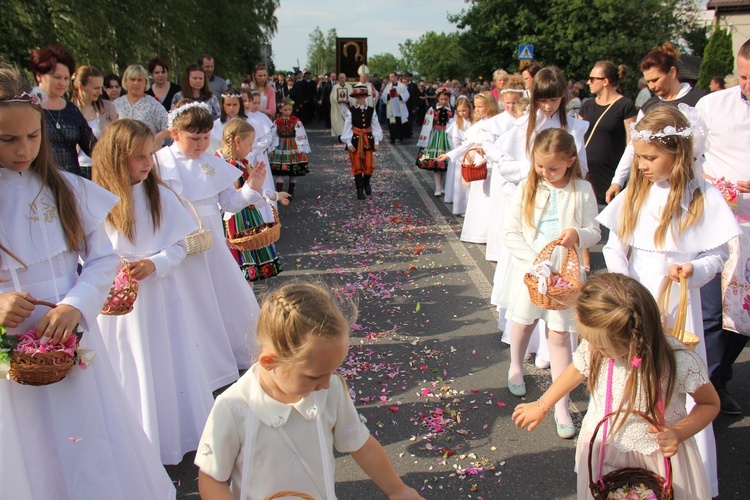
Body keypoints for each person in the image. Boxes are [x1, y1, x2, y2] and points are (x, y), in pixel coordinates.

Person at [0, 66, 176, 499]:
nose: (24, 150)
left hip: (70, 331)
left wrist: (76, 303)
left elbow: (100, 259)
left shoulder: (66, 189)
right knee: (24, 442)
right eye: (8, 140)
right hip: (9, 339)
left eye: (32, 137)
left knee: (87, 431)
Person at [596, 105, 741, 497]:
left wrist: (696, 271)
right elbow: (615, 246)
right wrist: (626, 292)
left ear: (677, 154)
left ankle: (688, 473)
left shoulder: (700, 195)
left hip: (680, 305)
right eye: (639, 156)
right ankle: (630, 466)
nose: (641, 164)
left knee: (677, 380)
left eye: (649, 157)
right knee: (634, 379)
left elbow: (718, 253)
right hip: (634, 300)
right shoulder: (636, 193)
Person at [195, 283, 423, 500]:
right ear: (270, 363)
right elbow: (211, 477)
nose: (326, 383)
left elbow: (361, 444)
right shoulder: (234, 406)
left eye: (332, 371)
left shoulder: (330, 390)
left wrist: (398, 490)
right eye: (314, 376)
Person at [512, 273, 719, 499]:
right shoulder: (597, 347)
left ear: (632, 338)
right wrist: (543, 405)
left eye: (601, 346)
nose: (592, 349)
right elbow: (576, 370)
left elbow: (709, 403)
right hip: (604, 449)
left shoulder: (678, 362)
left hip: (658, 457)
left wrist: (679, 433)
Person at [92, 119, 214, 465]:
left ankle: (172, 436)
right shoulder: (98, 200)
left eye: (150, 154)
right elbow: (89, 254)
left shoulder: (159, 195)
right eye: (138, 156)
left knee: (163, 362)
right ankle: (135, 439)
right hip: (118, 304)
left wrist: (155, 263)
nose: (148, 163)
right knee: (127, 364)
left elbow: (179, 246)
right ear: (115, 159)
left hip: (160, 297)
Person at [499, 128, 600, 439]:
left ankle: (560, 404)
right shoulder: (528, 187)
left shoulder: (582, 190)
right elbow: (511, 231)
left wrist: (578, 235)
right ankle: (516, 365)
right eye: (540, 166)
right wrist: (534, 263)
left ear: (570, 161)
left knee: (559, 335)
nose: (545, 173)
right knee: (524, 321)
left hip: (565, 273)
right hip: (531, 267)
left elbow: (594, 230)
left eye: (553, 168)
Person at [156, 100, 266, 383]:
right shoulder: (160, 163)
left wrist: (251, 187)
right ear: (175, 133)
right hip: (179, 244)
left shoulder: (212, 164)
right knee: (192, 304)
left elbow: (228, 203)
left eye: (206, 137)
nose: (201, 144)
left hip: (213, 244)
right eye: (194, 138)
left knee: (226, 296)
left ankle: (236, 352)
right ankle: (198, 363)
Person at [694, 39, 750, 417]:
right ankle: (708, 391)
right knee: (712, 312)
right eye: (744, 76)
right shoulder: (713, 104)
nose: (747, 85)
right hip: (717, 221)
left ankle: (722, 374)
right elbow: (690, 156)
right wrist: (717, 180)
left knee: (744, 316)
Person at [606, 42, 707, 203]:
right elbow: (634, 145)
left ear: (672, 72)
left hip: (692, 181)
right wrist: (618, 179)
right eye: (648, 82)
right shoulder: (649, 107)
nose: (651, 86)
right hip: (656, 186)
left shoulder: (700, 100)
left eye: (655, 79)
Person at [217, 119, 289, 281]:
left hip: (247, 218)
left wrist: (275, 195)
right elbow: (226, 201)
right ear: (237, 141)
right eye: (250, 144)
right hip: (233, 222)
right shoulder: (221, 164)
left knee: (250, 268)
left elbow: (257, 188)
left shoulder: (242, 164)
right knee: (235, 267)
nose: (251, 148)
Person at [30, 44, 96, 178]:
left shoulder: (71, 109)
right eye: (57, 77)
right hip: (38, 181)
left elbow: (93, 147)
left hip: (72, 183)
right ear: (39, 76)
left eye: (66, 78)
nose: (63, 83)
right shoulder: (29, 107)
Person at [578, 61, 637, 204]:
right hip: (586, 172)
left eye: (592, 79)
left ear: (605, 81)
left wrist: (623, 178)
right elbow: (577, 137)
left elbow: (631, 142)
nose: (588, 82)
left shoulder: (625, 105)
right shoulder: (587, 105)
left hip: (609, 173)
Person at [70, 65, 118, 174]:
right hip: (77, 169)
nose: (101, 92)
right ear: (80, 86)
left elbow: (118, 137)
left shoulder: (108, 107)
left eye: (101, 87)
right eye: (96, 88)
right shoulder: (69, 110)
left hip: (103, 168)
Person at [341, 84, 383, 200]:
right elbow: (347, 127)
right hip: (355, 140)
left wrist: (377, 141)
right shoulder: (351, 111)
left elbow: (376, 126)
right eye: (358, 97)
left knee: (369, 165)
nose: (361, 99)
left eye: (363, 97)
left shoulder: (371, 110)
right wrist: (348, 143)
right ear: (355, 98)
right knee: (357, 166)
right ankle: (359, 190)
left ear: (366, 97)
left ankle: (366, 182)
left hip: (367, 140)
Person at [113, 64, 171, 144]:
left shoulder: (153, 105)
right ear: (126, 81)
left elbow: (171, 129)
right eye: (132, 79)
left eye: (139, 80)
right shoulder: (116, 104)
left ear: (145, 82)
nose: (136, 83)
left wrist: (160, 136)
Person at [416, 88, 454, 196]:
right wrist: (425, 138)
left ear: (449, 99)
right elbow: (427, 123)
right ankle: (437, 187)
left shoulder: (452, 110)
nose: (443, 101)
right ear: (438, 98)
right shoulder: (433, 109)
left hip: (447, 136)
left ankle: (441, 186)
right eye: (441, 99)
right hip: (435, 136)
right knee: (437, 163)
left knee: (444, 164)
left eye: (446, 99)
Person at [269, 98, 310, 198]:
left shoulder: (296, 121)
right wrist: (271, 149)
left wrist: (301, 149)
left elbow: (301, 135)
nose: (287, 112)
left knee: (293, 171)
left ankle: (290, 192)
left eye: (289, 109)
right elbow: (273, 135)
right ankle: (279, 193)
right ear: (280, 110)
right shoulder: (277, 122)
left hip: (293, 145)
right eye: (285, 110)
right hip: (280, 146)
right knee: (280, 171)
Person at [443, 95, 474, 215]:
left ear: (469, 109)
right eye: (459, 111)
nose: (462, 113)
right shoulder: (457, 123)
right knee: (461, 184)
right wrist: (462, 154)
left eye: (464, 110)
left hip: (472, 153)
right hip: (461, 155)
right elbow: (454, 141)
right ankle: (460, 208)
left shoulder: (473, 121)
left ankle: (470, 207)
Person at [210, 88, 246, 153]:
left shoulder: (247, 123)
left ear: (240, 105)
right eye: (228, 105)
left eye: (235, 104)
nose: (231, 108)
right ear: (223, 105)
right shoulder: (216, 124)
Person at [381, 72, 410, 143]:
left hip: (399, 108)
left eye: (393, 76)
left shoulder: (402, 86)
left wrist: (399, 95)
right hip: (391, 108)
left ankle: (401, 137)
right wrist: (388, 95)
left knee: (400, 123)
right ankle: (392, 138)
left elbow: (407, 95)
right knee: (392, 124)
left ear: (396, 77)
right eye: (390, 77)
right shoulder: (388, 86)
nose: (391, 78)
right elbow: (383, 96)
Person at [329, 73, 353, 139]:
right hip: (338, 107)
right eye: (340, 78)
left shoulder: (349, 87)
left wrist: (347, 100)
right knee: (339, 121)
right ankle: (340, 136)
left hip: (346, 106)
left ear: (345, 78)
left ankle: (347, 136)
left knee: (347, 121)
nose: (342, 79)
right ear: (338, 79)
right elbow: (332, 97)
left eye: (343, 78)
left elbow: (352, 97)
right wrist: (337, 100)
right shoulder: (335, 87)